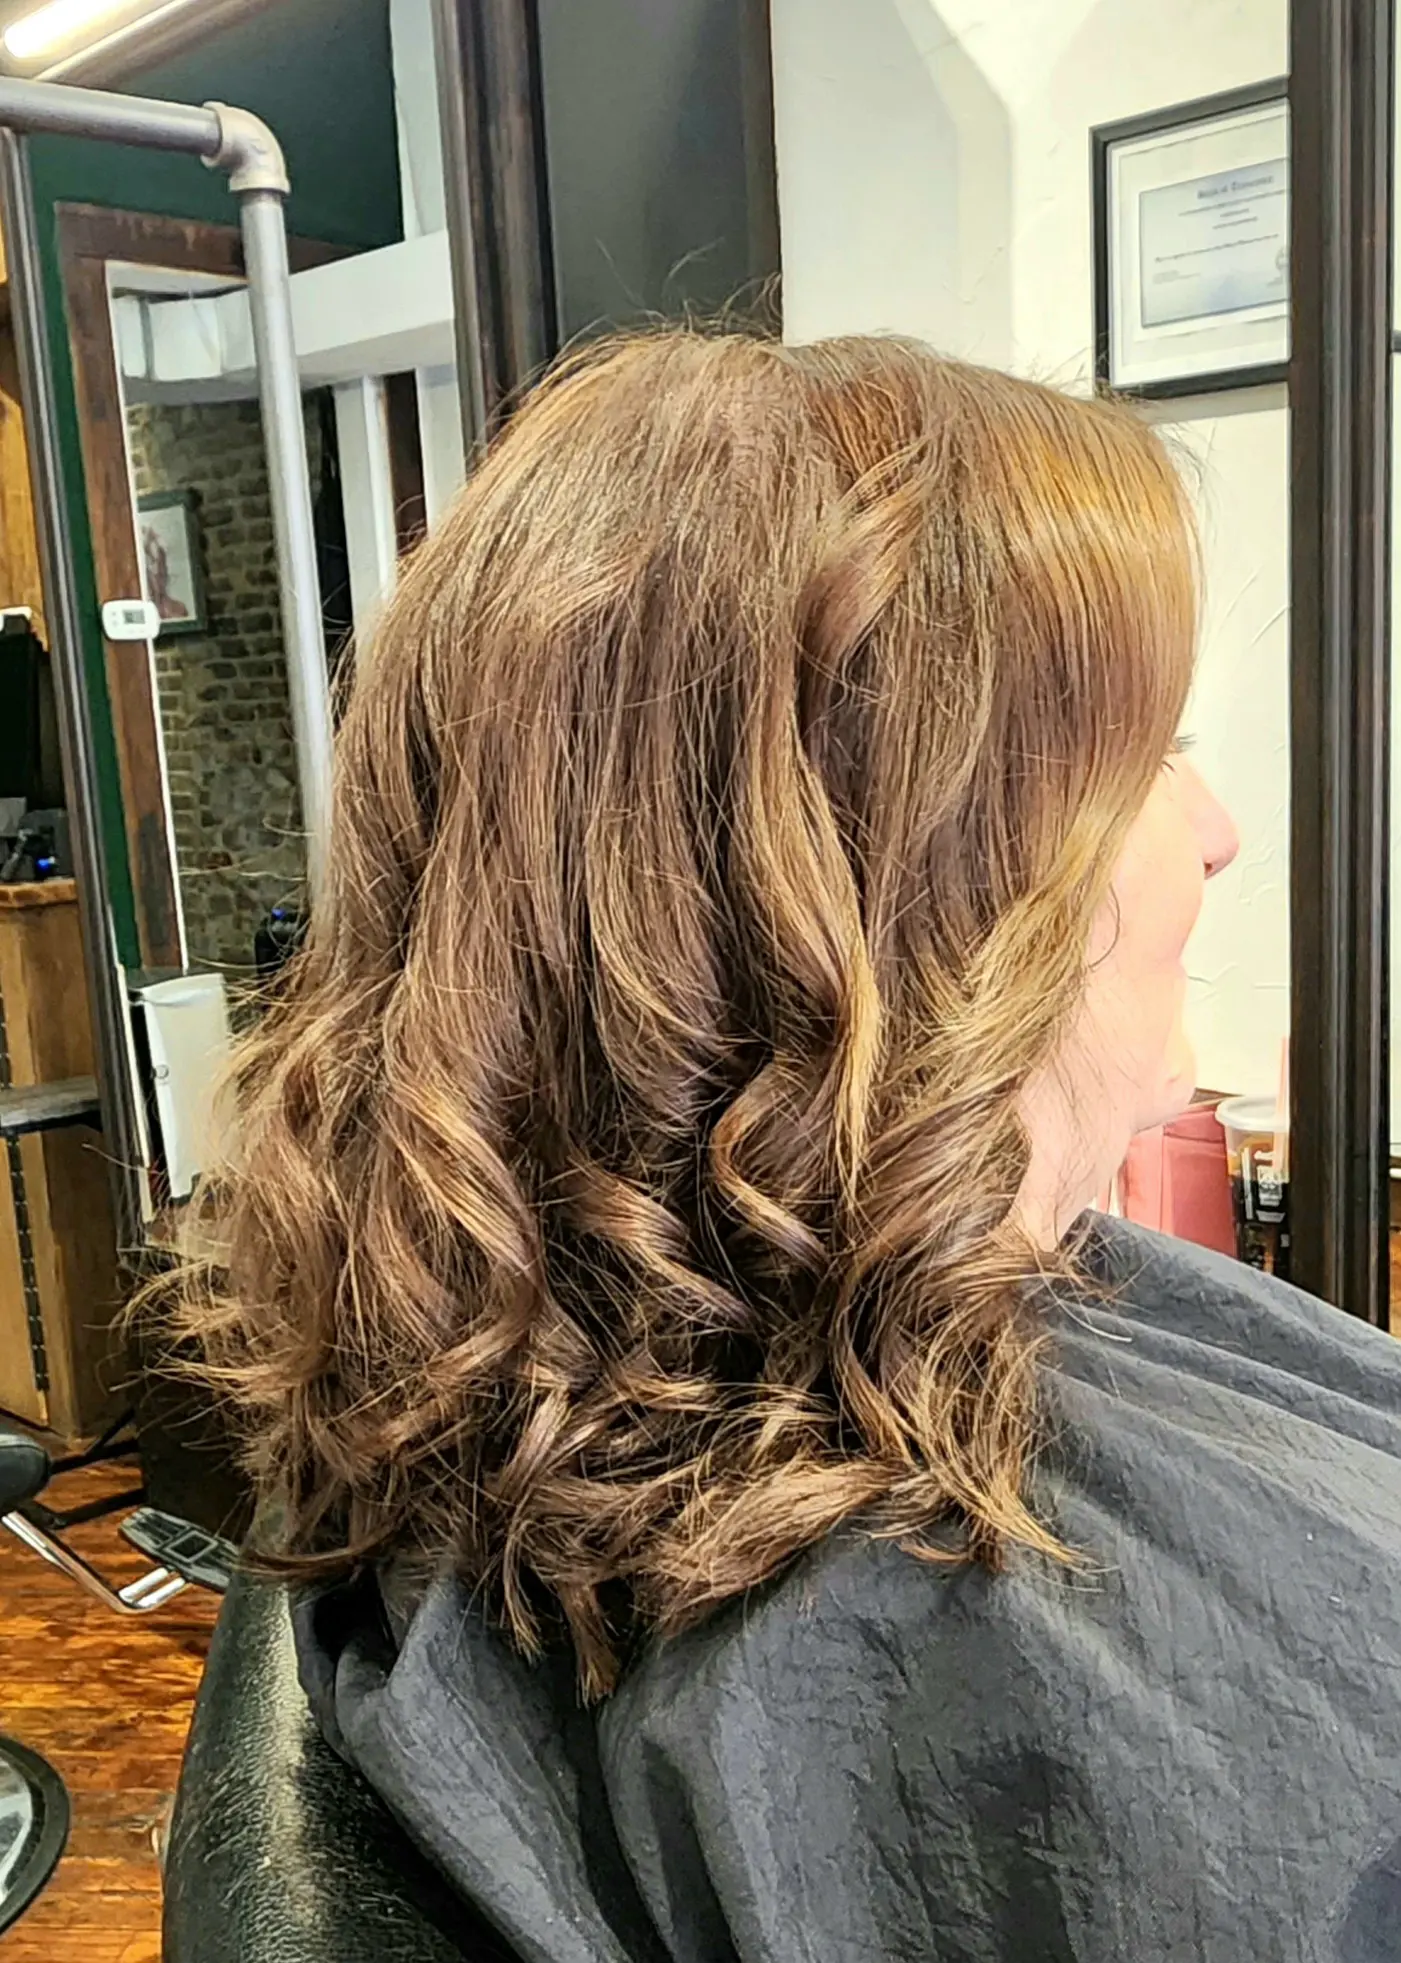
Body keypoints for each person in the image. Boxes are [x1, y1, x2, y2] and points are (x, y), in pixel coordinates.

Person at [176, 332, 1401, 1962]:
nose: (1220, 830)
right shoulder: (1034, 1685)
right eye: (1151, 757)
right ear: (936, 893)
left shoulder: (525, 1429)